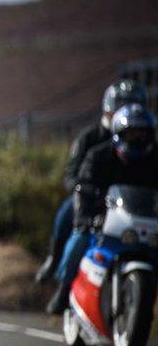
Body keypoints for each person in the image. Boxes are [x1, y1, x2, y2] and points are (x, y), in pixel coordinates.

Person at [36, 79, 148, 289]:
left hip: (128, 205)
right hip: (91, 198)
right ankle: (55, 261)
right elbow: (72, 174)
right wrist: (84, 193)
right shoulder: (91, 138)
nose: (127, 109)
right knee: (66, 215)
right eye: (122, 104)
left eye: (133, 103)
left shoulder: (144, 144)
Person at [47, 104, 158, 314]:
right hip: (105, 217)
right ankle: (63, 289)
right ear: (118, 134)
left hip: (144, 224)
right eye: (131, 134)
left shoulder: (154, 160)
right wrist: (85, 216)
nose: (137, 140)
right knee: (79, 238)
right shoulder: (99, 155)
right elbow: (83, 185)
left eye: (142, 135)